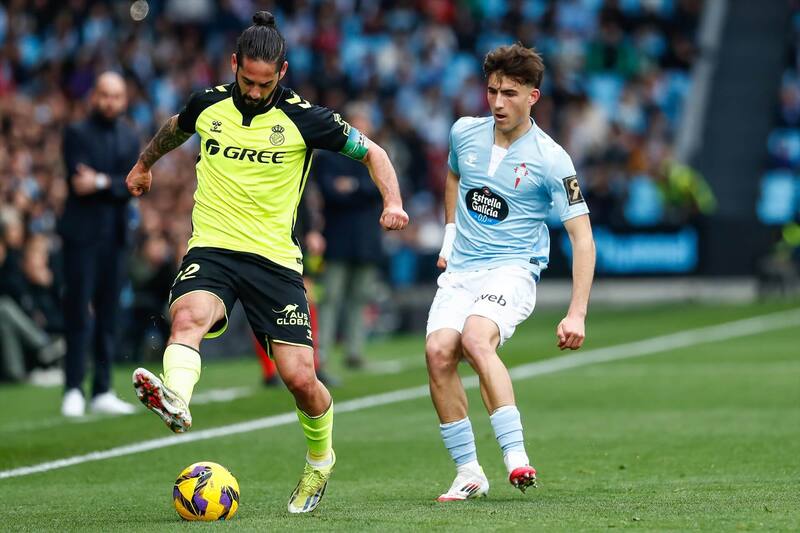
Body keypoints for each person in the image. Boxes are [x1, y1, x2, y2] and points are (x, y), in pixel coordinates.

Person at [124, 12, 408, 514]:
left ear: (282, 72)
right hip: (212, 247)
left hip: (276, 262)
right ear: (234, 64)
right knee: (187, 317)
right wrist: (145, 164)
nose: (254, 92)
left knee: (299, 378)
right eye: (247, 80)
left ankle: (320, 462)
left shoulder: (305, 118)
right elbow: (173, 129)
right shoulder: (208, 104)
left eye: (265, 82)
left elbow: (374, 153)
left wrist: (392, 201)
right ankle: (177, 400)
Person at [425, 44, 596, 501]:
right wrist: (448, 236)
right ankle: (468, 473)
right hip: (462, 269)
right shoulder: (464, 132)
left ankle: (516, 458)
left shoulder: (552, 159)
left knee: (476, 338)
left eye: (510, 94)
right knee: (439, 351)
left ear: (533, 97)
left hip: (513, 269)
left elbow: (583, 237)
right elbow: (454, 178)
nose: (498, 102)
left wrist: (576, 313)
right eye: (492, 91)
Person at [59, 72, 140, 417]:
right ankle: (74, 387)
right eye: (104, 94)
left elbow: (132, 185)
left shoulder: (129, 136)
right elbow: (79, 184)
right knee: (78, 312)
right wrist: (115, 184)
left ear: (124, 100)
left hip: (116, 238)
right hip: (81, 237)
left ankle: (102, 389)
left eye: (116, 95)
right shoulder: (76, 133)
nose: (110, 101)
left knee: (109, 315)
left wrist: (102, 181)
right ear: (94, 96)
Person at [315, 103, 384, 373]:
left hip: (366, 238)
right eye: (356, 123)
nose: (360, 129)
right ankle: (321, 353)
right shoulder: (330, 157)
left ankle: (354, 350)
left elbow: (377, 189)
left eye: (364, 123)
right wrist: (361, 189)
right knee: (330, 296)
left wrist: (351, 187)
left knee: (360, 296)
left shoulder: (375, 156)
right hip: (337, 237)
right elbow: (331, 192)